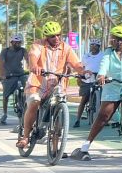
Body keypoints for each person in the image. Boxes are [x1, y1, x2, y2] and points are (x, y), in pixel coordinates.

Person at [71, 26, 122, 161]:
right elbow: (104, 65)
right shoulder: (108, 52)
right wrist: (102, 75)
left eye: (113, 39)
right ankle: (86, 146)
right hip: (112, 86)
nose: (111, 41)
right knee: (104, 116)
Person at [17, 22, 84, 150]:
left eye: (58, 35)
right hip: (37, 83)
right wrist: (34, 66)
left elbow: (76, 64)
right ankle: (25, 137)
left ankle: (55, 148)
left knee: (59, 106)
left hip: (57, 84)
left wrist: (84, 72)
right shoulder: (38, 45)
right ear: (46, 36)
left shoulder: (66, 48)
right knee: (34, 102)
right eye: (53, 36)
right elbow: (32, 57)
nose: (57, 38)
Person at [73, 38, 104, 128]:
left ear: (99, 47)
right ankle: (77, 119)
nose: (93, 47)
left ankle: (101, 120)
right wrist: (81, 75)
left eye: (95, 45)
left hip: (98, 79)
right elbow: (81, 67)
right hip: (87, 80)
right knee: (84, 100)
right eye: (92, 45)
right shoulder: (86, 56)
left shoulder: (102, 55)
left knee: (102, 100)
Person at [0, 34, 28, 126]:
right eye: (16, 42)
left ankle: (26, 109)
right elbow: (2, 63)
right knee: (6, 95)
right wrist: (2, 75)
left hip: (21, 74)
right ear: (11, 42)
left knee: (29, 90)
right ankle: (4, 114)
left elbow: (28, 60)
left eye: (19, 42)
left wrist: (32, 69)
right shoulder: (5, 51)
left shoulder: (23, 50)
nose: (18, 44)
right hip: (9, 76)